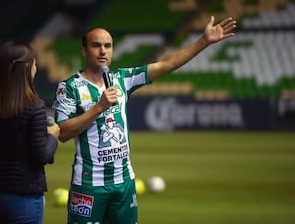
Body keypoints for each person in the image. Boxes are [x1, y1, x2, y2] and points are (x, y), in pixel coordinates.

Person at [53, 15, 236, 224]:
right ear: (84, 50)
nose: (103, 51)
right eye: (96, 46)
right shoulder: (69, 88)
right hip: (88, 185)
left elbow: (167, 64)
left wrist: (203, 41)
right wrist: (99, 107)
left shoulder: (122, 79)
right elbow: (63, 133)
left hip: (124, 183)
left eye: (108, 46)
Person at [0, 41, 60, 224]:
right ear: (28, 68)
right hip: (24, 200)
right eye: (34, 63)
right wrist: (53, 135)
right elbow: (42, 155)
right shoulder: (34, 106)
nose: (36, 67)